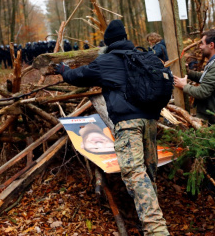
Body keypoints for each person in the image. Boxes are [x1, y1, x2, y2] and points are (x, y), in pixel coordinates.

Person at [54, 20, 170, 235]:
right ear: (126, 38)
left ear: (107, 43)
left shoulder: (105, 61)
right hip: (150, 122)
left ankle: (156, 230)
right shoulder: (144, 57)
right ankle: (151, 222)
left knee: (135, 174)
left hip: (128, 125)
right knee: (148, 172)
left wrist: (63, 69)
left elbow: (77, 77)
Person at [173, 29, 215, 145]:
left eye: (202, 43)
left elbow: (202, 92)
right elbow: (208, 79)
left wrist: (184, 86)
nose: (199, 47)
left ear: (211, 45)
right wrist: (189, 73)